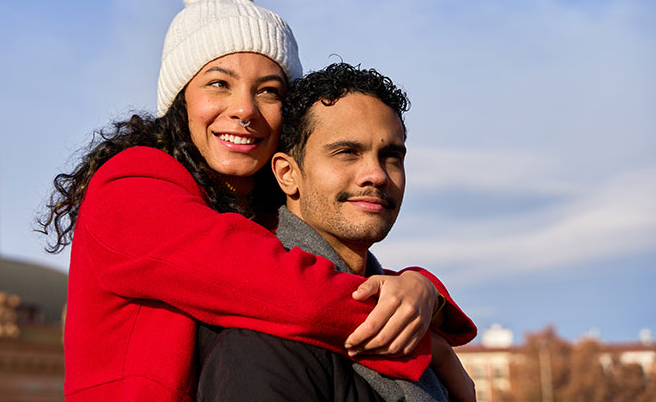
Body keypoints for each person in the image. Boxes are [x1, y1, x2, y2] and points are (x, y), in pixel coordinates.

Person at [38, 0, 476, 401]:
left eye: (268, 91)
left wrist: (424, 290)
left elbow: (327, 270)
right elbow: (296, 294)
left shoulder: (257, 207)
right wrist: (423, 341)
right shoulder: (131, 185)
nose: (244, 109)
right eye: (218, 84)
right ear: (180, 99)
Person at [195, 63, 475, 402]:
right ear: (287, 174)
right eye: (347, 153)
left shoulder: (404, 316)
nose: (376, 175)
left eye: (390, 156)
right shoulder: (261, 341)